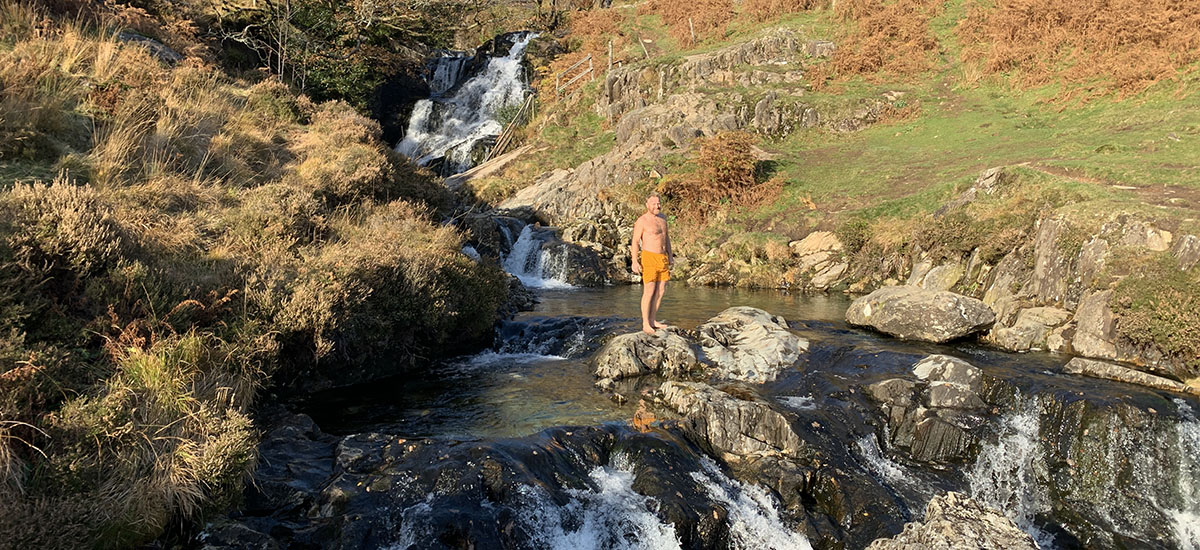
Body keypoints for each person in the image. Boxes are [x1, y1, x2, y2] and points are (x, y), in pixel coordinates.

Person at [631, 194, 673, 334]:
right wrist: (634, 261)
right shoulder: (642, 221)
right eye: (654, 204)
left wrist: (670, 256)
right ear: (647, 205)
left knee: (661, 290)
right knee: (649, 290)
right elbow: (635, 242)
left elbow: (666, 238)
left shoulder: (663, 219)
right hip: (649, 257)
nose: (657, 206)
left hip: (662, 258)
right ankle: (645, 323)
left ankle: (653, 319)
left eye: (658, 203)